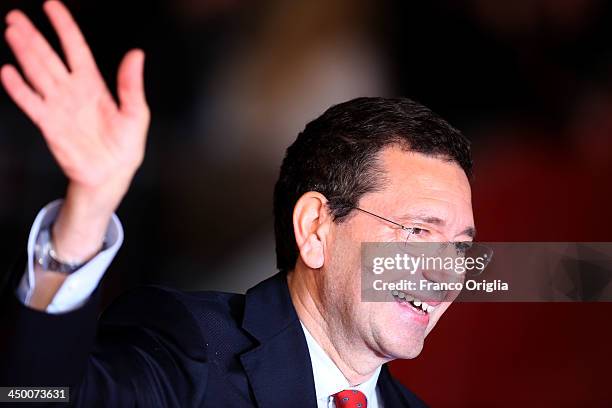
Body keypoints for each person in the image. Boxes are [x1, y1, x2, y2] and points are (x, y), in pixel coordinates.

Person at [0, 1, 475, 407]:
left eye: (459, 248)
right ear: (315, 229)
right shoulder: (190, 350)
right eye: (418, 231)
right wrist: (88, 211)